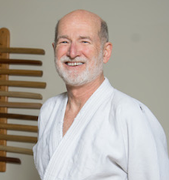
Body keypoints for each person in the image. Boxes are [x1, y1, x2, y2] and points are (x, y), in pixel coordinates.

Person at [33, 9, 169, 180]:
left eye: (84, 41)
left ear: (106, 52)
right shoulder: (49, 111)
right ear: (54, 49)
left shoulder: (130, 114)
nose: (73, 52)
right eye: (64, 41)